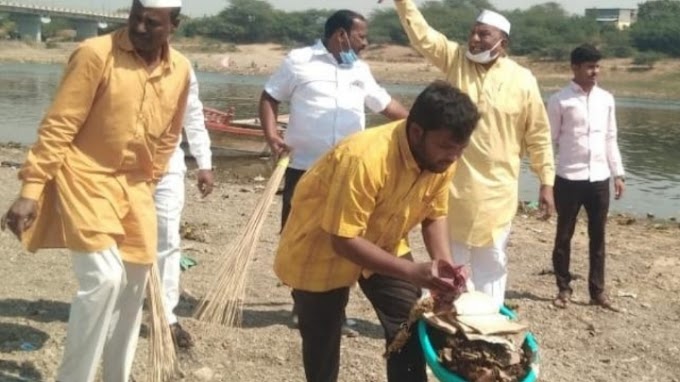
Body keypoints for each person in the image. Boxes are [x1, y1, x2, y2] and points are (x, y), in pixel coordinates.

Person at [0, 0, 191, 381]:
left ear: (174, 25)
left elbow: (171, 131)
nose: (138, 28)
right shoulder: (94, 54)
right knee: (105, 279)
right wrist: (31, 190)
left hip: (136, 186)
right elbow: (59, 124)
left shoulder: (181, 69)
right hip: (84, 177)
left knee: (134, 284)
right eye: (134, 18)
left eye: (150, 23)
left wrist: (151, 177)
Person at [275, 80, 480, 382]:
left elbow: (434, 214)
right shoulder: (365, 158)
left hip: (384, 240)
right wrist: (413, 271)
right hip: (321, 247)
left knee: (409, 324)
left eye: (460, 149)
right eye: (447, 148)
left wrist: (444, 268)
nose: (453, 158)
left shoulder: (441, 158)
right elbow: (344, 240)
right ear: (416, 132)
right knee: (322, 340)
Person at [385, 0, 556, 308]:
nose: (474, 39)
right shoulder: (455, 61)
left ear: (502, 43)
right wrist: (403, 2)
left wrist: (546, 181)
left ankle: (489, 319)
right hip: (452, 186)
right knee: (449, 258)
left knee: (492, 261)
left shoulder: (523, 80)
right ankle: (445, 319)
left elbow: (539, 135)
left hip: (498, 190)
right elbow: (423, 35)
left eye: (483, 34)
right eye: (473, 33)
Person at [259, 9, 409, 332]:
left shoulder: (361, 70)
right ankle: (303, 308)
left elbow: (386, 107)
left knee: (345, 239)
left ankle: (334, 312)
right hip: (304, 169)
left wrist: (421, 127)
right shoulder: (299, 61)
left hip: (349, 175)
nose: (365, 43)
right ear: (341, 35)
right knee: (300, 237)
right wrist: (272, 136)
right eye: (361, 36)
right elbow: (270, 97)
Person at [547, 44, 625, 311]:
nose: (595, 72)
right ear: (575, 68)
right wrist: (546, 180)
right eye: (590, 66)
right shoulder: (560, 100)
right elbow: (550, 141)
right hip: (569, 177)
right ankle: (563, 288)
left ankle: (597, 291)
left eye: (597, 66)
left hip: (599, 178)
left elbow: (611, 138)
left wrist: (618, 173)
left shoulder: (606, 99)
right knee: (564, 235)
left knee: (598, 236)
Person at [155, 68, 214, 349]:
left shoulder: (181, 68)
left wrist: (204, 163)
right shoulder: (110, 59)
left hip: (167, 169)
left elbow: (193, 117)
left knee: (167, 239)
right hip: (117, 171)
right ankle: (117, 308)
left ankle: (166, 315)